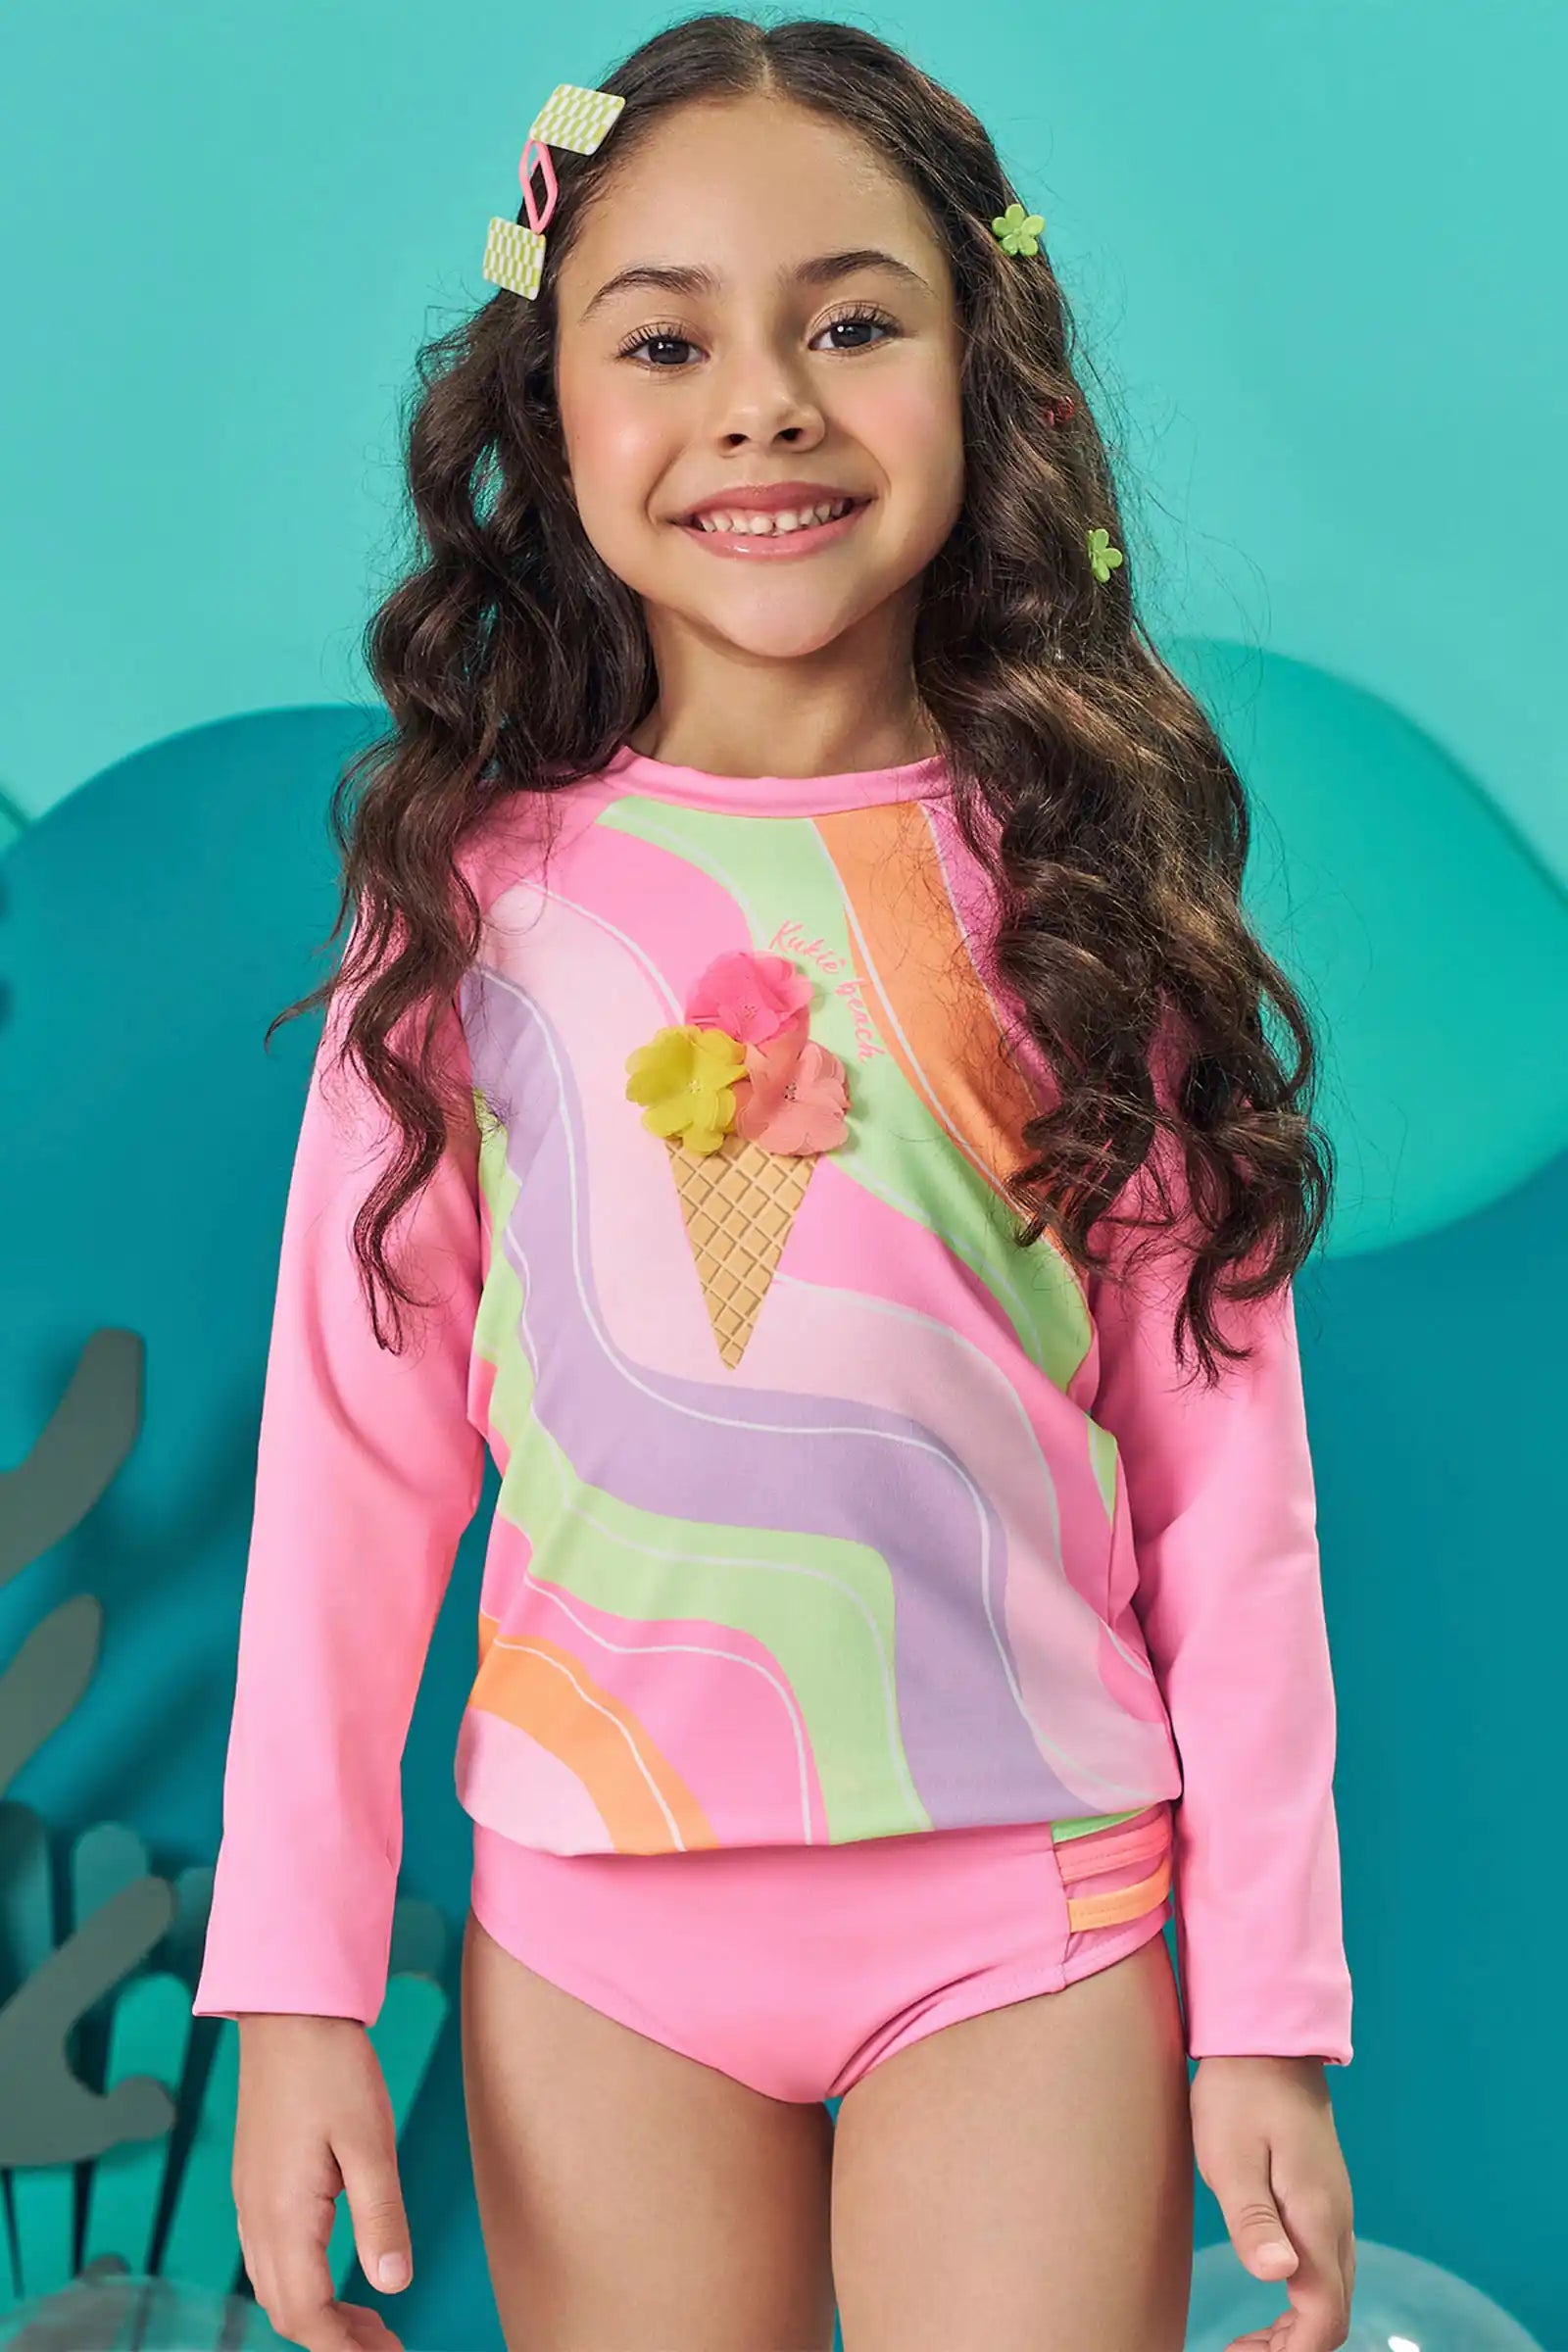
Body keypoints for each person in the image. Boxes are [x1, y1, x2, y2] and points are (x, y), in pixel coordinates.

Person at [191, 14, 1356, 2350]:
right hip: (594, 1926)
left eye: (847, 325)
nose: (762, 407)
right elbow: (349, 1466)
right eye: (665, 341)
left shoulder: (1078, 894)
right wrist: (295, 1982)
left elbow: (1226, 1487)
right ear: (549, 417)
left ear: (981, 380)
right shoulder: (466, 906)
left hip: (1024, 1911)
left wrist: (1265, 2011)